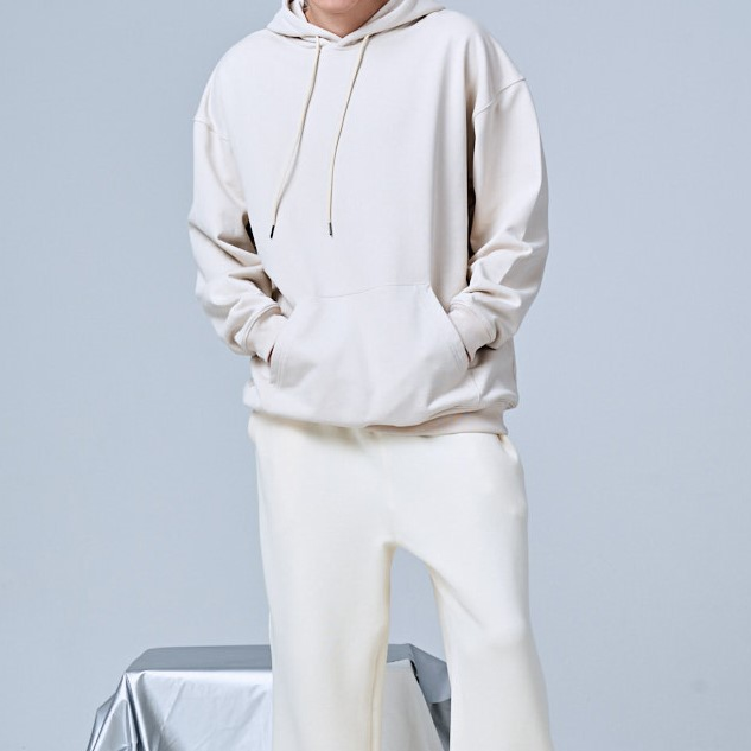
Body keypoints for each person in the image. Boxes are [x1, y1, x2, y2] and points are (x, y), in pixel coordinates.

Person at [187, 0, 554, 749]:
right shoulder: (241, 75)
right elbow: (220, 249)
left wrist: (457, 337)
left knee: (500, 657)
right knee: (318, 680)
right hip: (305, 430)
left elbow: (515, 224)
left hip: (449, 415)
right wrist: (280, 343)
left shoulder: (457, 49)